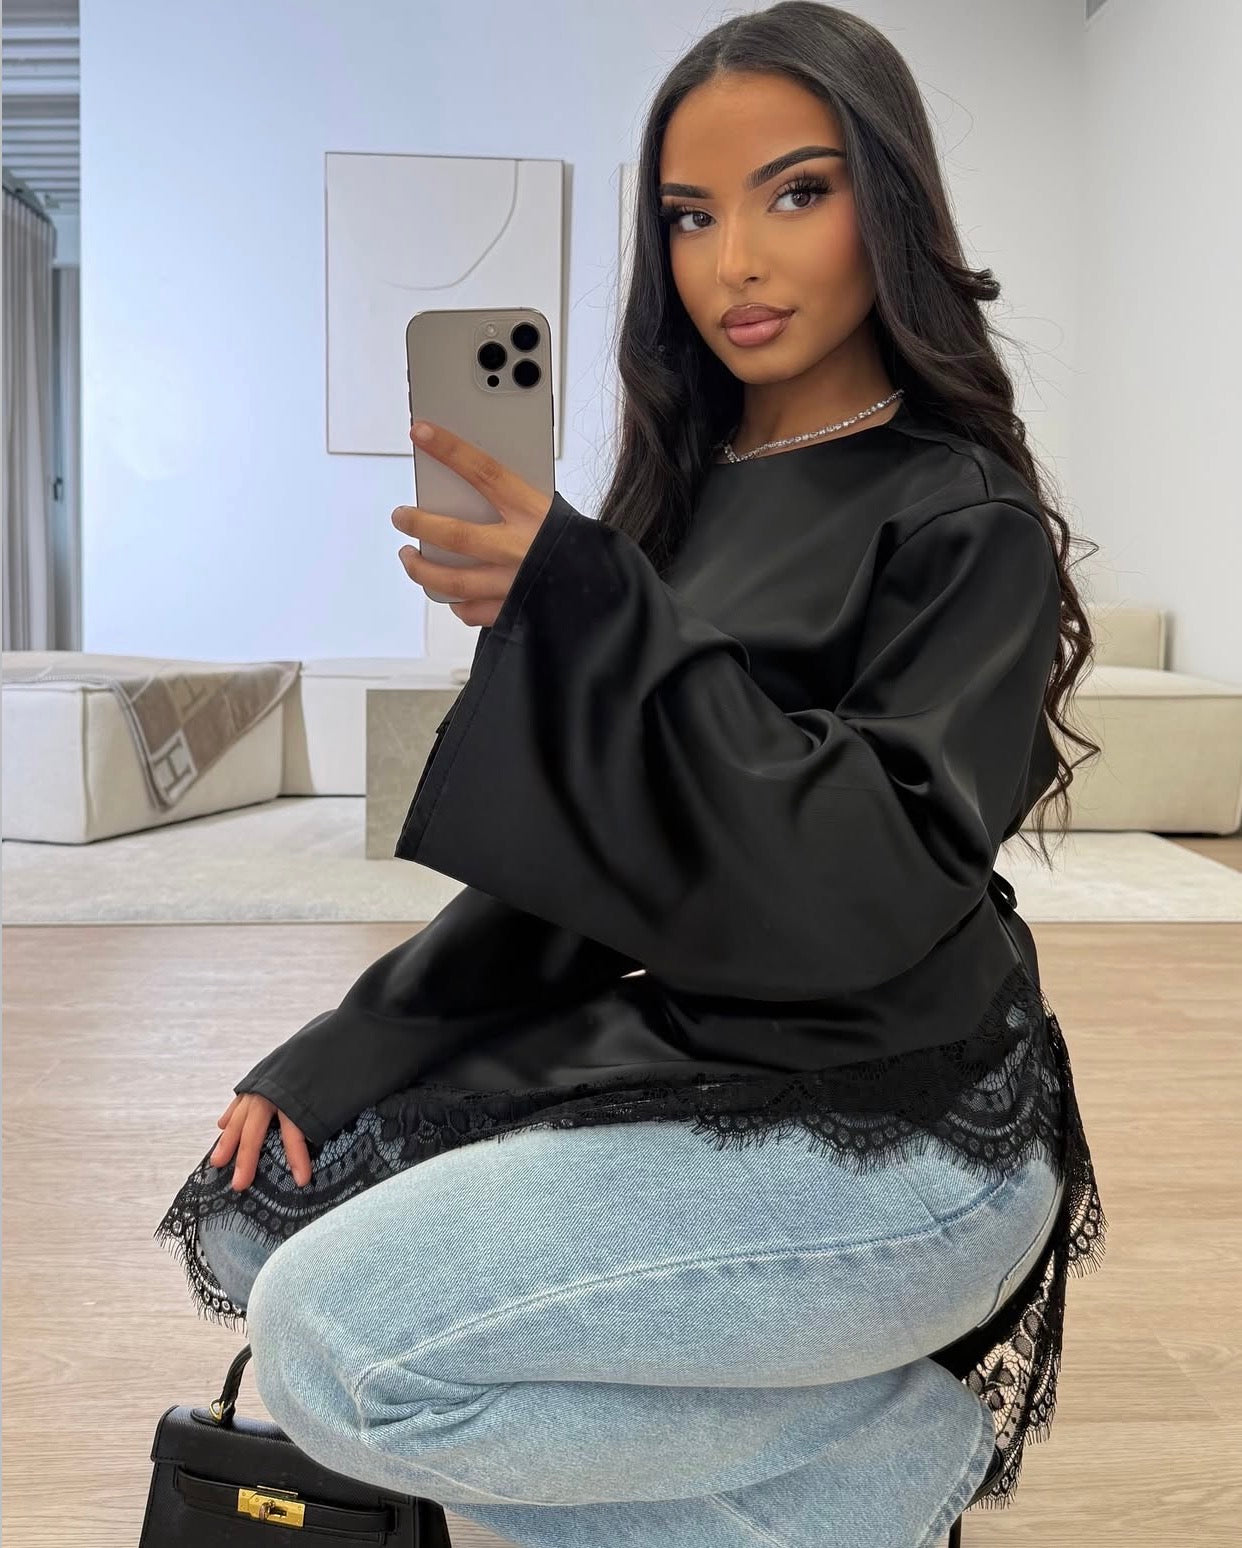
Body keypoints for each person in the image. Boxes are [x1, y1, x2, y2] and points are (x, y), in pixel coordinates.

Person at [154, 6, 1107, 1545]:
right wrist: (354, 1040)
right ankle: (852, 1485)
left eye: (795, 193)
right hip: (708, 1054)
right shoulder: (684, 500)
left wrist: (598, 605)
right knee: (274, 1223)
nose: (735, 261)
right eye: (688, 214)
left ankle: (892, 1469)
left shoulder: (961, 516)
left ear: (887, 200)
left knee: (335, 1351)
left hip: (905, 1122)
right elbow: (592, 860)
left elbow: (856, 887)